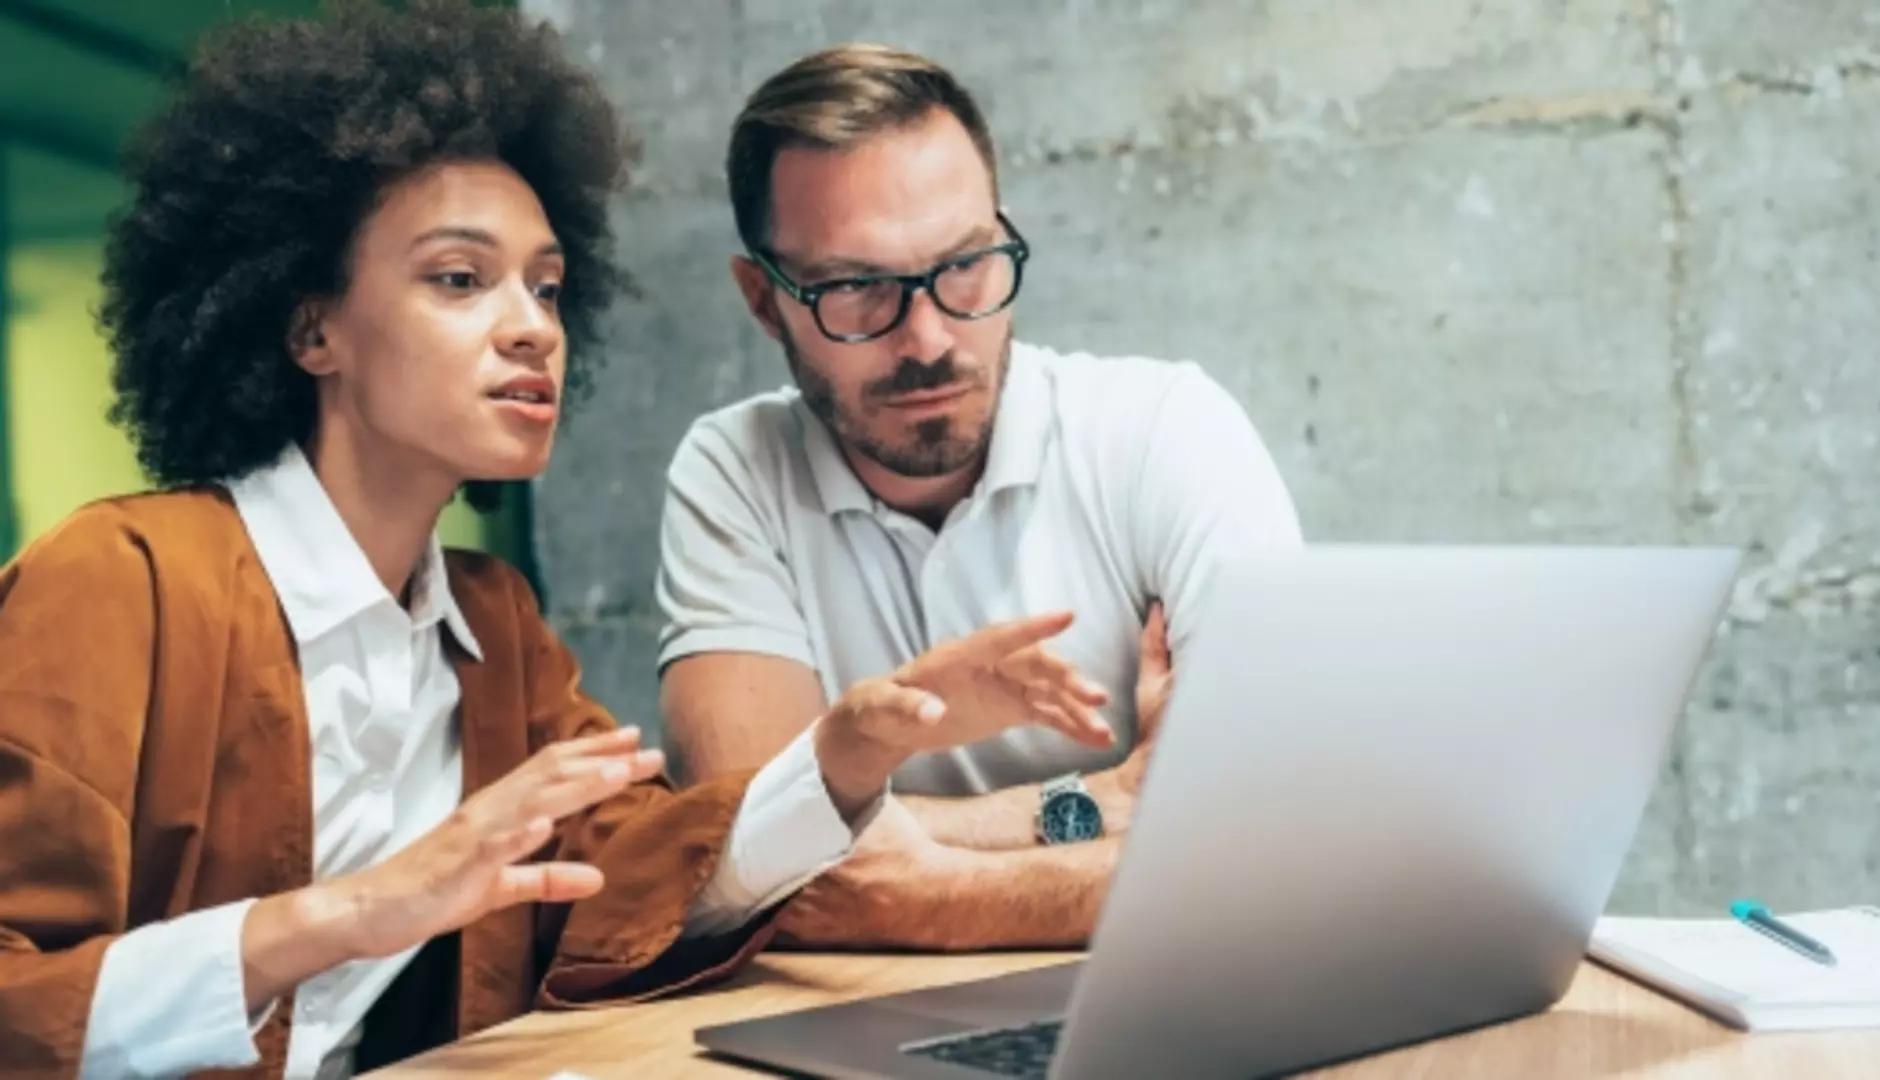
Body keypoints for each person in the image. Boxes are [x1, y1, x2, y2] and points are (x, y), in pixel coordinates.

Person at [0, 6, 1112, 1078]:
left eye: (545, 284)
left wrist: (845, 755)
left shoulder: (493, 627)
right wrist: (340, 916)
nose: (533, 325)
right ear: (311, 326)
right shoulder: (120, 582)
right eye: (458, 279)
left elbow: (634, 883)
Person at [656, 43, 1305, 952]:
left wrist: (934, 894)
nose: (928, 338)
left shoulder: (1163, 430)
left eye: (966, 265)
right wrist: (1108, 801)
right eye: (855, 288)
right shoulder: (737, 470)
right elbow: (739, 857)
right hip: (857, 1020)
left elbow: (1281, 838)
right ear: (764, 301)